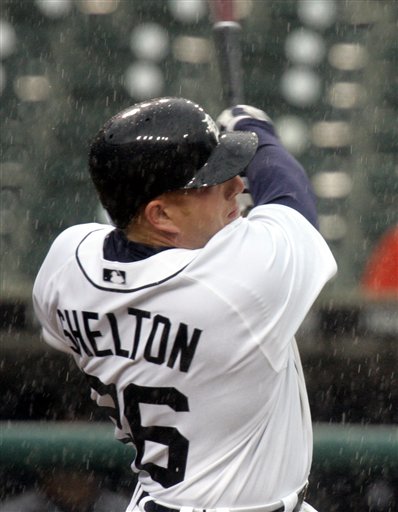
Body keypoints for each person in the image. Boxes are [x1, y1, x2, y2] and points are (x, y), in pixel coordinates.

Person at [32, 97, 337, 512]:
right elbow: (289, 195)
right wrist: (258, 130)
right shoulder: (238, 284)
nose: (238, 185)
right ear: (160, 216)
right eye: (211, 184)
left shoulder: (65, 264)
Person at [0, 468, 130, 512]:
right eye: (66, 471)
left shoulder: (122, 508)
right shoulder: (19, 509)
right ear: (45, 474)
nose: (74, 479)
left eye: (82, 470)